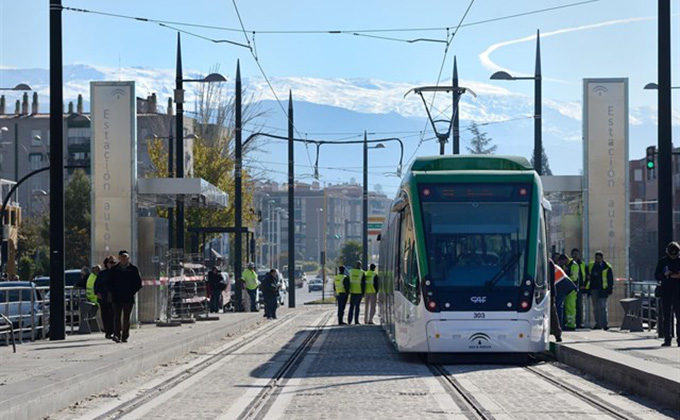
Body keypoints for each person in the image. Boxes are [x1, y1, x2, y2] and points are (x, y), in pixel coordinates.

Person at [108, 250, 142, 343]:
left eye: (125, 257)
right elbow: (109, 283)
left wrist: (131, 292)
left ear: (128, 258)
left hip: (128, 298)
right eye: (122, 257)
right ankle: (117, 335)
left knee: (126, 318)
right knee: (116, 317)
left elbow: (138, 283)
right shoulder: (114, 270)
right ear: (119, 258)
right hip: (117, 298)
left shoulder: (133, 269)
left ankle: (125, 336)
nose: (123, 259)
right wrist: (113, 292)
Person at [654, 241, 680, 347]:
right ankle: (667, 339)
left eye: (675, 253)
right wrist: (665, 275)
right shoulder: (663, 262)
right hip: (666, 292)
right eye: (671, 253)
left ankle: (679, 339)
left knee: (679, 317)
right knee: (666, 317)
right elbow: (657, 275)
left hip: (678, 293)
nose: (673, 256)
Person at [586, 251, 614, 330]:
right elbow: (588, 277)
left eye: (599, 258)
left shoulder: (607, 267)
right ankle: (598, 324)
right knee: (596, 308)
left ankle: (605, 324)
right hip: (594, 289)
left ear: (602, 258)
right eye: (596, 258)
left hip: (603, 290)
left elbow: (610, 279)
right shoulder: (591, 266)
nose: (597, 260)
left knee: (602, 307)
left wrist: (609, 289)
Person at [95, 256, 116, 339]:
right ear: (106, 264)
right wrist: (97, 292)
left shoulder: (118, 273)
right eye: (111, 262)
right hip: (104, 298)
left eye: (114, 262)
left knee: (114, 315)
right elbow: (96, 285)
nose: (112, 264)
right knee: (105, 316)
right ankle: (108, 332)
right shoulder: (102, 274)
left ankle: (115, 332)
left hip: (115, 298)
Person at [557, 254, 577, 330]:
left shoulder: (573, 265)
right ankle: (567, 323)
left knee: (570, 307)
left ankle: (571, 324)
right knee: (566, 307)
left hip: (571, 288)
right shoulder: (567, 265)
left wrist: (565, 275)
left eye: (562, 262)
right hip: (566, 288)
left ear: (565, 259)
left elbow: (574, 277)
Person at [570, 248, 587, 328]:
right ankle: (572, 322)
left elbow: (586, 276)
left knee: (579, 306)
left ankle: (579, 322)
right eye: (574, 254)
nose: (575, 256)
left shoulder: (582, 264)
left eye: (576, 254)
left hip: (580, 288)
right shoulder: (569, 264)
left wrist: (584, 285)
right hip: (571, 288)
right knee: (571, 306)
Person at [548, 258, 563, 342]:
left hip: (548, 291)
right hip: (547, 291)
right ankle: (557, 334)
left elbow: (551, 280)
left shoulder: (549, 262)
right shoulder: (550, 262)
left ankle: (557, 334)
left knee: (552, 313)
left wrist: (553, 294)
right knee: (553, 313)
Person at [347, 261, 365, 325]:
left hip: (352, 291)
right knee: (357, 307)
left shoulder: (351, 271)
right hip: (359, 292)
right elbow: (363, 284)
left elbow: (348, 281)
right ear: (360, 265)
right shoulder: (362, 272)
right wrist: (363, 293)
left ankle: (349, 321)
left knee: (351, 307)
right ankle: (356, 321)